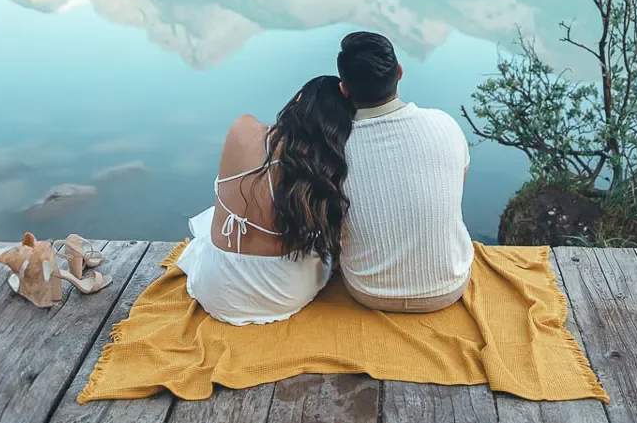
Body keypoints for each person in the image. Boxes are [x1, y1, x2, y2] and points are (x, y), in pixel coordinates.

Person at [176, 75, 355, 325]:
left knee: (211, 219)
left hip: (216, 290)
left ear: (299, 100)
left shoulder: (243, 129)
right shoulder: (329, 166)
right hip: (284, 293)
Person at [337, 31, 473, 312]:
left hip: (368, 291)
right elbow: (456, 191)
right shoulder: (444, 125)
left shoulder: (335, 148)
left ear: (344, 89)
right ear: (399, 72)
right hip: (449, 287)